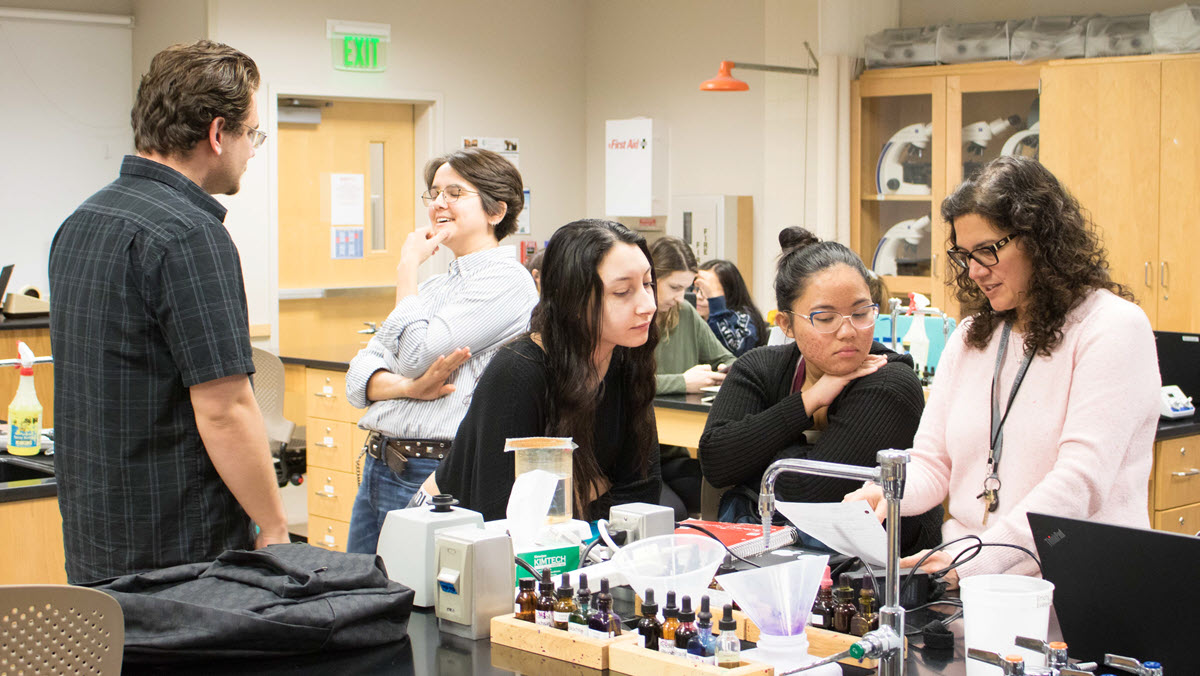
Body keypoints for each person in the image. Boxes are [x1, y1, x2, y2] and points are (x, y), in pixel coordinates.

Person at [845, 156, 1159, 583]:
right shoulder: (975, 334)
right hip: (972, 577)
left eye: (988, 250)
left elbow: (1080, 484)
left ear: (1040, 240)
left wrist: (980, 560)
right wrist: (888, 493)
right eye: (964, 255)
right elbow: (935, 463)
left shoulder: (1112, 328)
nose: (974, 271)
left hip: (1076, 582)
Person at [49, 41, 288, 583]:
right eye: (251, 133)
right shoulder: (190, 235)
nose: (252, 149)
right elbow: (224, 407)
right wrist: (274, 526)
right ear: (216, 133)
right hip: (177, 548)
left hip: (97, 533)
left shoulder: (81, 222)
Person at [699, 228, 943, 556]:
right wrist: (808, 400)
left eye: (861, 313)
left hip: (877, 575)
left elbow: (807, 488)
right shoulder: (759, 367)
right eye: (825, 318)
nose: (848, 331)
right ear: (785, 324)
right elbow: (716, 462)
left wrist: (752, 456)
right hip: (772, 557)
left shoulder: (891, 383)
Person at [344, 148, 537, 554]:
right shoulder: (435, 288)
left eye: (454, 193)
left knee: (410, 603)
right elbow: (359, 374)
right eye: (433, 194)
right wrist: (408, 389)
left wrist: (407, 267)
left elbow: (416, 355)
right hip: (381, 463)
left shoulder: (507, 280)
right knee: (356, 599)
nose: (438, 204)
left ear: (496, 211)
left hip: (432, 471)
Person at [433, 220, 662, 521]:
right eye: (622, 292)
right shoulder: (518, 371)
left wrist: (569, 500)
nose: (648, 305)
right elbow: (503, 513)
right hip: (458, 539)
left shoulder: (626, 359)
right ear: (574, 300)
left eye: (647, 284)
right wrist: (590, 491)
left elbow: (643, 492)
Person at [651, 237, 736, 394]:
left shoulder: (686, 312)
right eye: (675, 287)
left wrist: (723, 372)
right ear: (650, 279)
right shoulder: (628, 318)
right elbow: (623, 385)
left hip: (685, 416)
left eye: (686, 288)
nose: (680, 298)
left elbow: (728, 360)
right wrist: (683, 382)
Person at [694, 259, 768, 357]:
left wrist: (716, 305)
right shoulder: (692, 316)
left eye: (709, 290)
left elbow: (733, 353)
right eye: (697, 289)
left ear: (730, 291)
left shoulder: (745, 318)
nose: (699, 296)